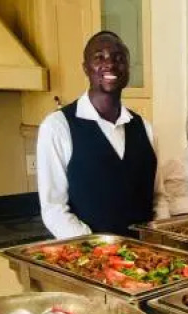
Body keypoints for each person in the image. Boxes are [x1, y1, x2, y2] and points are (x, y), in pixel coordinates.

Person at [37, 30, 156, 239]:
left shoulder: (144, 128)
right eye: (99, 57)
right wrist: (98, 247)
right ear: (86, 67)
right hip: (89, 254)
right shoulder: (58, 126)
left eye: (118, 58)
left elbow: (158, 197)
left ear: (128, 68)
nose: (110, 64)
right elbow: (54, 209)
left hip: (148, 253)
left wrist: (157, 237)